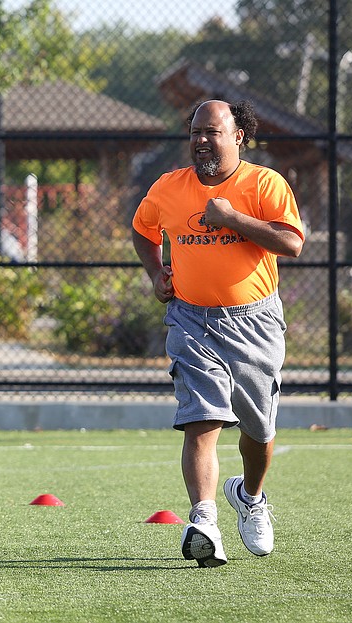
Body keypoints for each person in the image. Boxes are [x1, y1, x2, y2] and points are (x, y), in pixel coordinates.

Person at [132, 100, 304, 567]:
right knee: (202, 417)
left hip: (255, 321)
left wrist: (231, 219)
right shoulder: (168, 187)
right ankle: (204, 519)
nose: (201, 140)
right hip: (191, 319)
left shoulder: (264, 183)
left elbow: (291, 242)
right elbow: (143, 229)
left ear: (238, 137)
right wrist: (156, 272)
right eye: (194, 132)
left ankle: (249, 496)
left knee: (259, 430)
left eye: (211, 131)